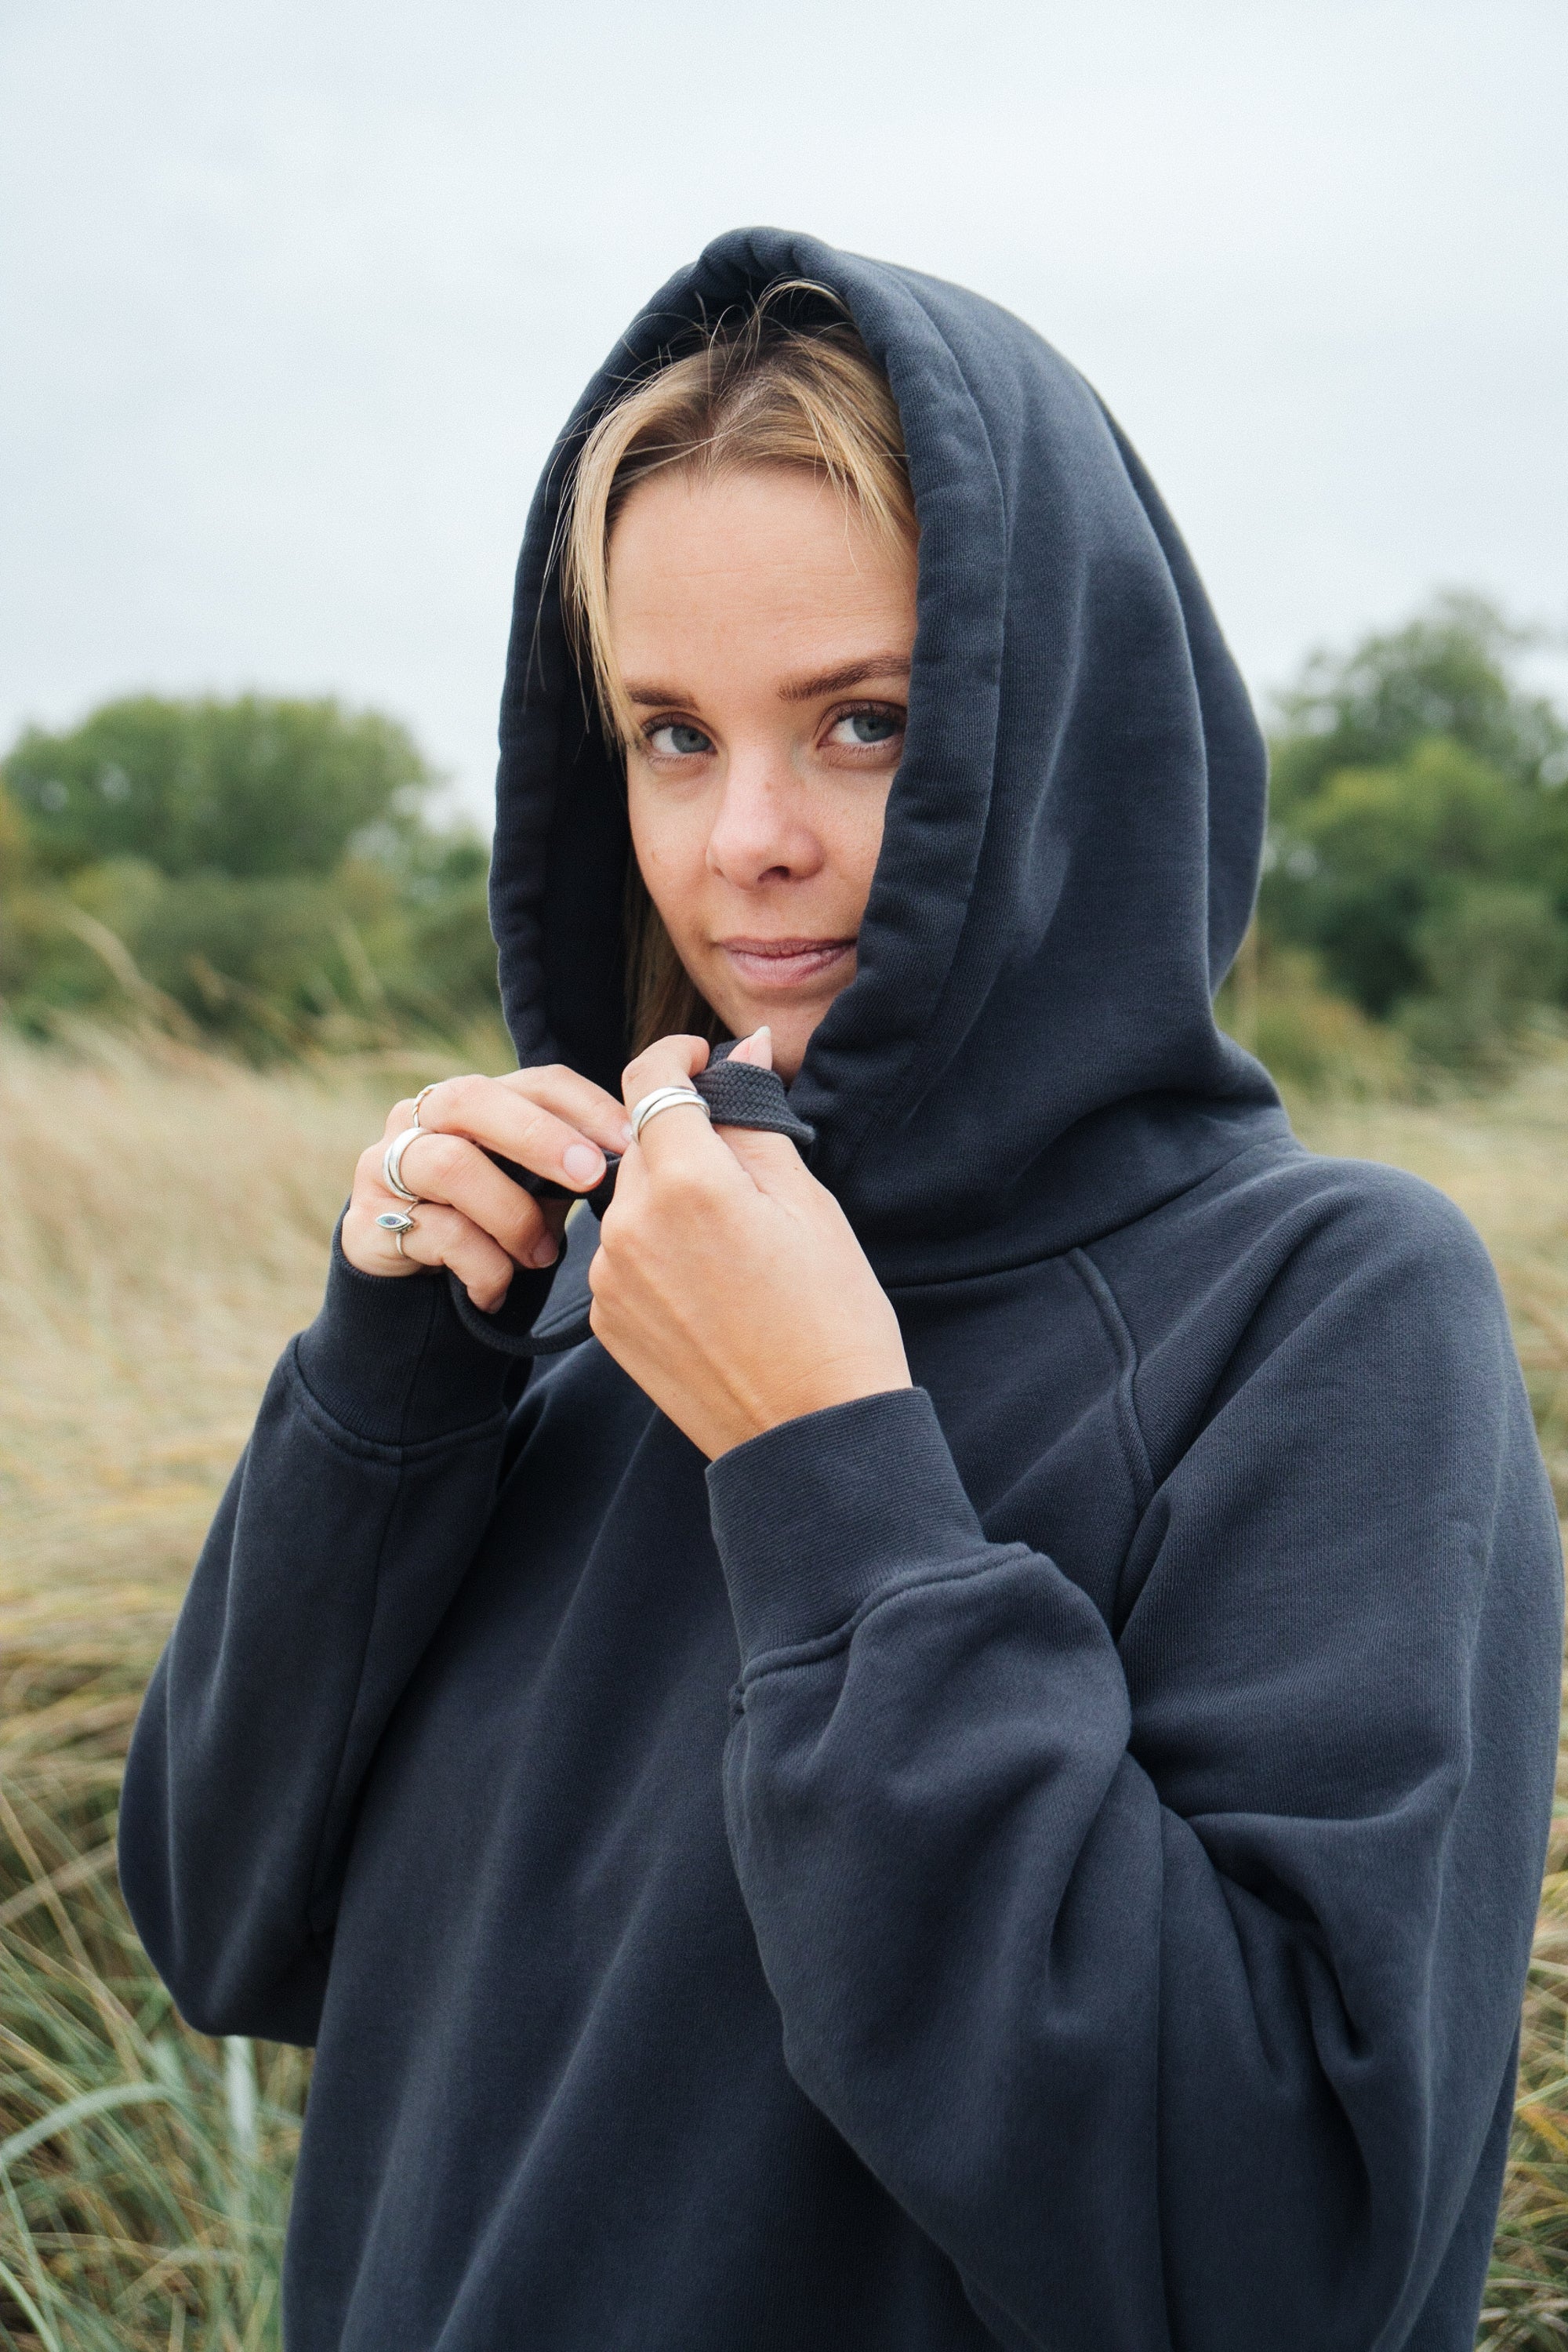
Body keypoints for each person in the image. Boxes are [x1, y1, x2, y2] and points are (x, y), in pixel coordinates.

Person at [119, 230, 1563, 2352]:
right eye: (673, 736)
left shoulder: (1328, 1313)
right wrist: (386, 1395)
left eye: (865, 723)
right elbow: (226, 1933)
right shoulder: (593, 1285)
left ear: (1056, 730)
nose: (745, 845)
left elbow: (1278, 2261)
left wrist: (831, 1471)